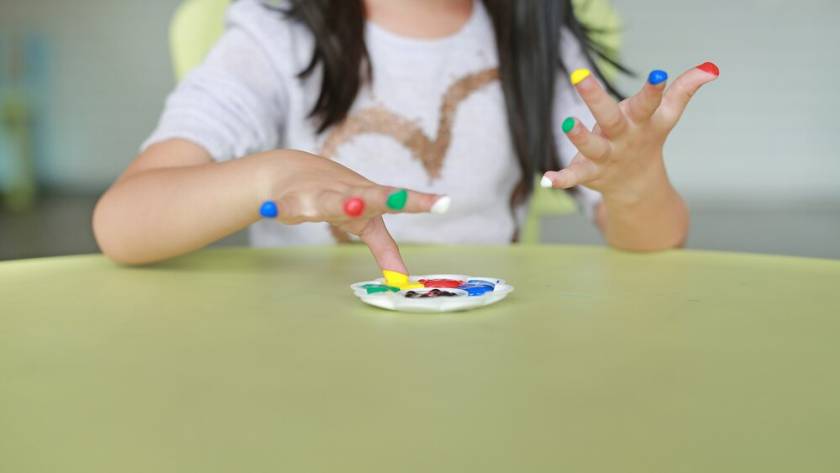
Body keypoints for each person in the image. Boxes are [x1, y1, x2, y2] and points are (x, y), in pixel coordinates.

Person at [92, 0, 718, 275]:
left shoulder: (540, 44)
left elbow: (654, 244)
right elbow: (122, 224)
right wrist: (269, 174)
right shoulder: (270, 38)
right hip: (300, 365)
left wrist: (635, 185)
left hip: (489, 356)